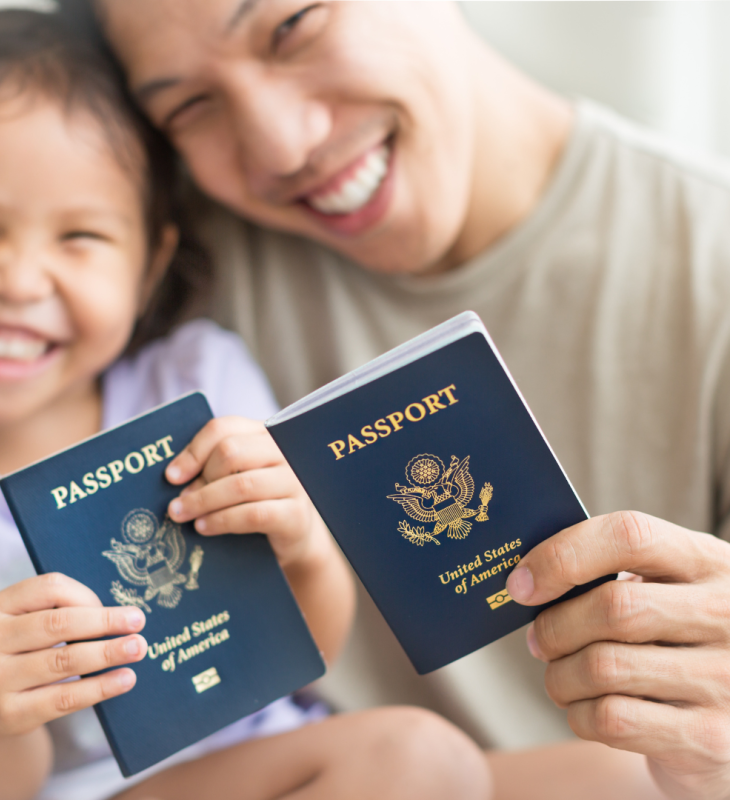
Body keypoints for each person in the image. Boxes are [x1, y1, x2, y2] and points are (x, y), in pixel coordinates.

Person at [60, 1, 730, 798]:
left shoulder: (706, 270)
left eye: (291, 25)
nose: (284, 144)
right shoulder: (142, 260)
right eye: (190, 106)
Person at [0, 9, 491, 800]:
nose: (19, 280)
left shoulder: (198, 382)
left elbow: (305, 658)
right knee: (418, 759)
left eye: (81, 238)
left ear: (150, 264)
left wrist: (301, 547)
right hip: (88, 788)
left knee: (617, 779)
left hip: (283, 753)